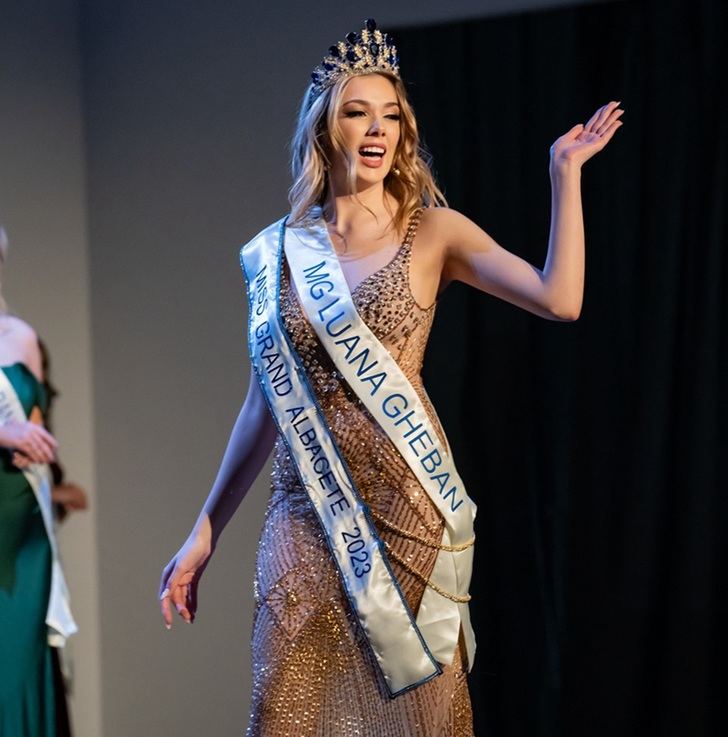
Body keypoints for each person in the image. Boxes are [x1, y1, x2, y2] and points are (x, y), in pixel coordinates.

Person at [159, 18, 623, 735]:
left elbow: (560, 298)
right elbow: (263, 406)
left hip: (408, 510)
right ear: (326, 128)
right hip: (304, 513)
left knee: (420, 719)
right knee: (281, 709)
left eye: (391, 116)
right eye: (357, 113)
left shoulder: (432, 231)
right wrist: (204, 531)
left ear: (404, 134)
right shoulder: (276, 253)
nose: (377, 130)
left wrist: (566, 175)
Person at [0, 225, 77, 736]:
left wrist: (28, 433)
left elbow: (33, 427)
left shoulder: (18, 337)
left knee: (17, 667)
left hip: (21, 530)